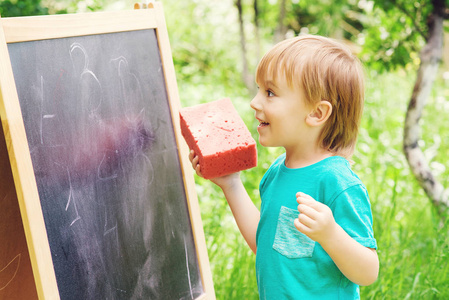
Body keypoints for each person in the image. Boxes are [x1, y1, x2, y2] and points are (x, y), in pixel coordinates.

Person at [189, 34, 379, 299]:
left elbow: (368, 271)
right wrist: (231, 183)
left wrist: (331, 235)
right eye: (258, 90)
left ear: (316, 113)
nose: (255, 102)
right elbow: (266, 245)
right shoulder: (277, 172)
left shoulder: (336, 181)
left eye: (270, 92)